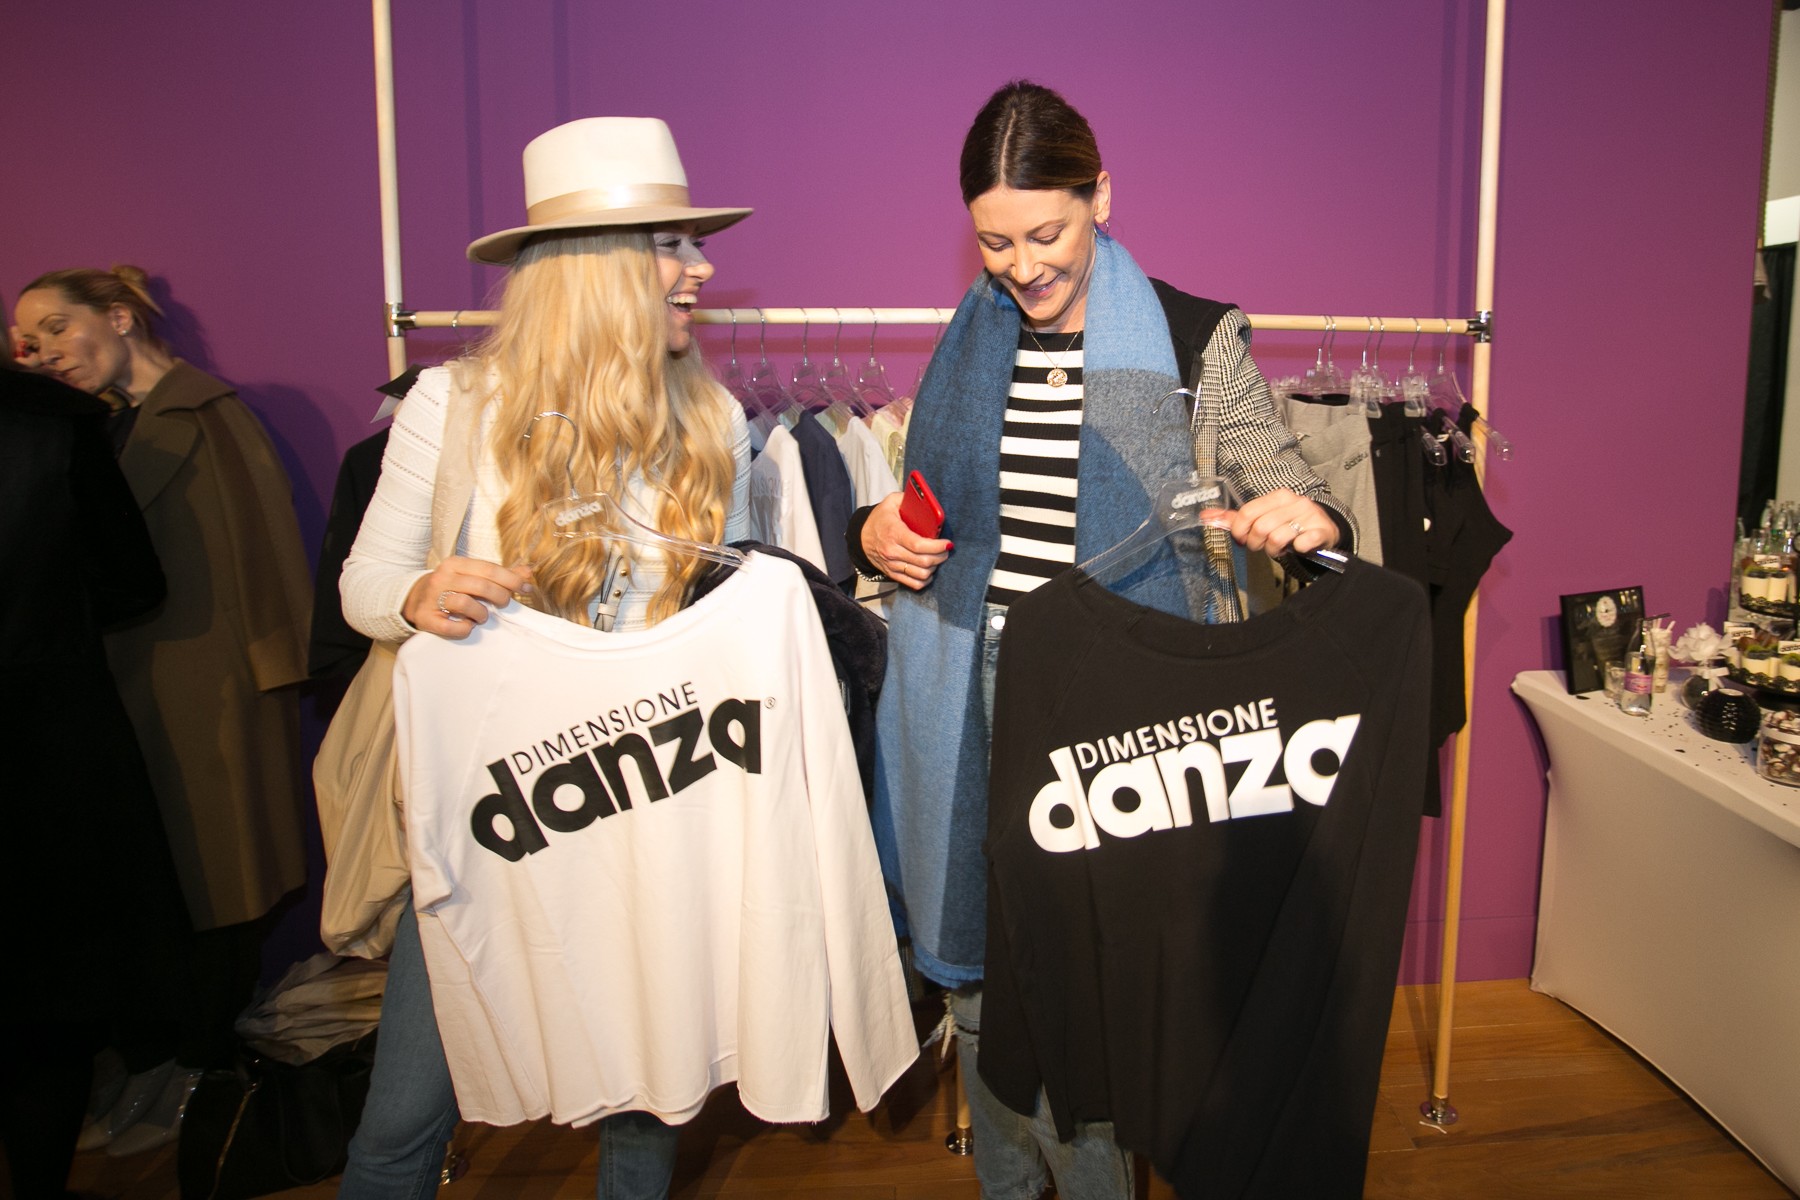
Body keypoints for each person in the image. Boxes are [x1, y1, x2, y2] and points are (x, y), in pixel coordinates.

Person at [849, 81, 1357, 1199]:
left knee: (1096, 986)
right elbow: (925, 510)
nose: (1021, 267)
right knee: (981, 973)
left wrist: (1311, 521)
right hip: (971, 686)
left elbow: (1286, 481)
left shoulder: (1191, 339)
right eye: (995, 242)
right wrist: (870, 530)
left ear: (1101, 198)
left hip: (1124, 700)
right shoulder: (968, 342)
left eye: (1047, 234)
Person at [335, 116, 753, 1200]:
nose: (701, 268)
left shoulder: (713, 421)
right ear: (595, 266)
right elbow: (362, 584)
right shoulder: (452, 408)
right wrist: (420, 594)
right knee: (405, 1115)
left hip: (645, 805)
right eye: (672, 245)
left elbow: (729, 621)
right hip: (489, 817)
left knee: (645, 1102)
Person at [9, 266, 314, 1155]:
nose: (43, 351)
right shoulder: (91, 428)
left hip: (210, 691)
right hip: (118, 693)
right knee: (157, 886)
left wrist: (272, 679)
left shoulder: (205, 413)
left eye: (56, 327)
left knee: (222, 878)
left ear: (117, 317)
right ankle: (158, 1068)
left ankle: (196, 1071)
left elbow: (268, 549)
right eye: (28, 340)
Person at [0, 351, 193, 1198]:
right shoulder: (54, 423)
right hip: (44, 748)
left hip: (48, 744)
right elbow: (131, 582)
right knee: (49, 1002)